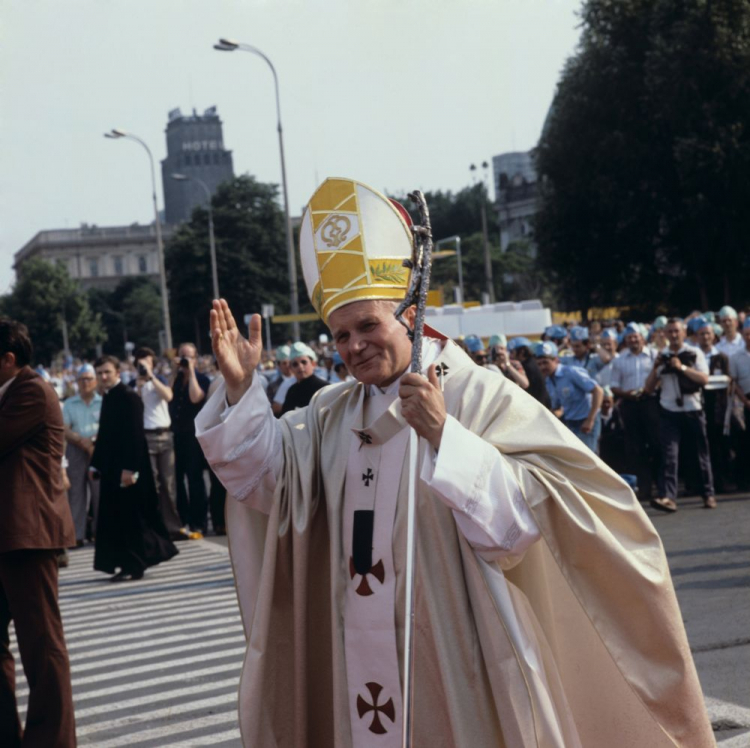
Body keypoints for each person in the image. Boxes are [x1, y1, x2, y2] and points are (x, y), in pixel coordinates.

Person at [196, 178, 711, 747]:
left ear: (412, 314)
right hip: (357, 655)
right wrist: (242, 394)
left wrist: (448, 439)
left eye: (369, 325)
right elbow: (267, 485)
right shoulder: (329, 415)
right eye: (340, 335)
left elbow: (530, 524)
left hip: (458, 655)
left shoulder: (479, 396)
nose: (353, 347)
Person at [0, 318, 76, 747]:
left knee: (41, 645)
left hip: (28, 536)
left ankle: (52, 740)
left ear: (8, 359)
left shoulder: (31, 390)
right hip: (6, 536)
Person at [90, 355, 178, 580]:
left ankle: (135, 564)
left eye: (107, 372)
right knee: (116, 517)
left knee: (133, 517)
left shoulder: (129, 398)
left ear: (118, 372)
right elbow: (105, 436)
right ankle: (126, 564)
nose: (103, 376)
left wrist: (130, 470)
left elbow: (135, 438)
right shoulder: (109, 397)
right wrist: (96, 464)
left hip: (129, 469)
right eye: (99, 373)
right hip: (112, 469)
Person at [644, 318, 715, 511]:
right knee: (670, 456)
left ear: (683, 333)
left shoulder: (695, 353)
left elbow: (704, 379)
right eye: (670, 332)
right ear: (665, 335)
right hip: (669, 411)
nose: (674, 336)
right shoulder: (661, 355)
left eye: (677, 331)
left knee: (701, 454)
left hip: (693, 409)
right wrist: (656, 368)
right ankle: (669, 497)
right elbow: (648, 388)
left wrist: (681, 367)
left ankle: (708, 494)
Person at [132, 346, 185, 540]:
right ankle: (153, 527)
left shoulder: (159, 380)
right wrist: (139, 383)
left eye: (147, 362)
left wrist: (151, 377)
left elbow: (168, 396)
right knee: (151, 485)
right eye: (140, 363)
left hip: (164, 435)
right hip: (146, 437)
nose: (144, 366)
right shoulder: (134, 383)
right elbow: (135, 406)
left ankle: (172, 526)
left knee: (168, 484)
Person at [610, 323, 660, 503]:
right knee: (636, 448)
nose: (633, 340)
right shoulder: (620, 360)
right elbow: (614, 386)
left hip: (651, 402)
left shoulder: (654, 355)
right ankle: (644, 488)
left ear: (642, 337)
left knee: (657, 444)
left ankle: (661, 487)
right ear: (625, 340)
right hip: (630, 405)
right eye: (629, 337)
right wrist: (626, 394)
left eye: (636, 336)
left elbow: (661, 378)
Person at [170, 342, 210, 538]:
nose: (185, 360)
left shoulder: (201, 379)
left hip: (194, 435)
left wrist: (191, 371)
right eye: (182, 356)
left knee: (195, 479)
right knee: (177, 480)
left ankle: (198, 521)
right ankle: (182, 519)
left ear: (196, 359)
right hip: (176, 434)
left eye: (189, 356)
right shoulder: (175, 379)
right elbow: (167, 397)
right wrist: (174, 369)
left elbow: (196, 398)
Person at [535, 341, 604, 453]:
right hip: (571, 422)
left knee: (589, 459)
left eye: (545, 362)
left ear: (556, 360)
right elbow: (557, 407)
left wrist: (590, 420)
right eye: (539, 364)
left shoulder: (571, 372)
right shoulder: (548, 380)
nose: (542, 367)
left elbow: (598, 391)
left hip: (586, 420)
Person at [62, 363, 102, 545]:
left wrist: (92, 442)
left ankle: (99, 532)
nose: (85, 382)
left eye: (89, 379)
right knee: (76, 493)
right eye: (82, 379)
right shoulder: (70, 403)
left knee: (99, 492)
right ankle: (77, 535)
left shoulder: (102, 401)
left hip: (97, 448)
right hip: (75, 448)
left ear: (95, 381)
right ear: (77, 382)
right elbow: (64, 428)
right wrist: (81, 440)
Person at [696, 319, 732, 494]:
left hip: (717, 407)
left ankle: (721, 481)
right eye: (701, 334)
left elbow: (728, 381)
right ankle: (701, 483)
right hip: (698, 406)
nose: (705, 337)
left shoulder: (721, 357)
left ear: (714, 336)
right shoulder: (693, 356)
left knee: (719, 446)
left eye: (708, 333)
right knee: (701, 447)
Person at [729, 319, 750, 489]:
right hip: (747, 401)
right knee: (746, 441)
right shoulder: (736, 357)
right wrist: (745, 401)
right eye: (747, 334)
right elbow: (734, 383)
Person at [280, 342, 329, 414]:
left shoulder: (324, 388)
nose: (300, 366)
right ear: (291, 368)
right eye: (295, 364)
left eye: (304, 362)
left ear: (313, 364)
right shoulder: (292, 391)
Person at [508, 336, 551, 408]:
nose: (510, 355)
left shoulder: (527, 366)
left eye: (512, 352)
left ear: (521, 351)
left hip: (539, 405)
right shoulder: (531, 362)